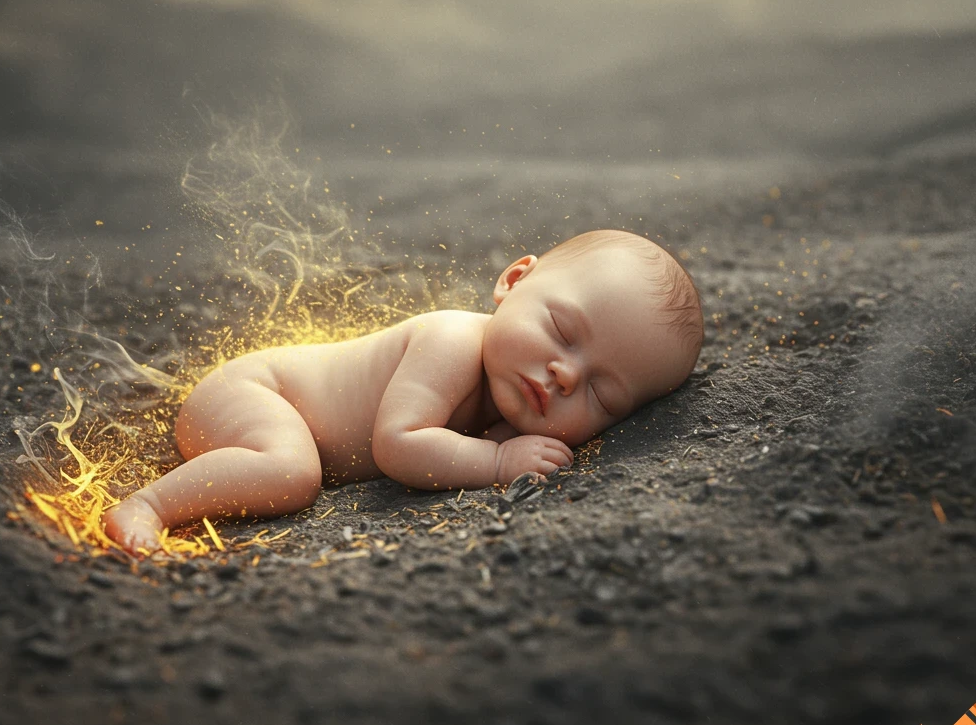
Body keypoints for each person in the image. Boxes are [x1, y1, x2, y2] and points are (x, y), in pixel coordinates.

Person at [103, 229, 704, 554]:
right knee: (291, 472)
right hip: (254, 393)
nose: (566, 375)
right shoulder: (453, 337)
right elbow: (399, 444)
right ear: (514, 282)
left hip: (265, 410)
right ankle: (147, 507)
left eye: (602, 396)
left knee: (293, 468)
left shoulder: (514, 402)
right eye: (561, 330)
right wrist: (497, 460)